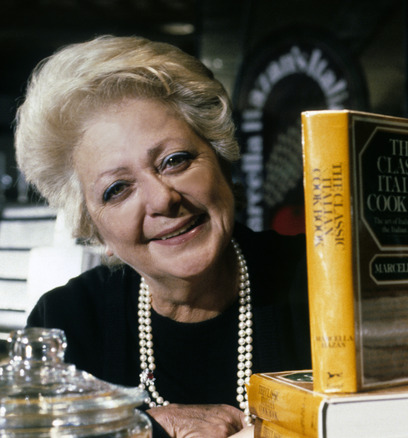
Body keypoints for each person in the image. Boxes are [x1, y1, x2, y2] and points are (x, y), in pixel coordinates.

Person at [14, 35, 311, 438]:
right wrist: (135, 429)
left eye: (175, 161)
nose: (162, 199)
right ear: (93, 226)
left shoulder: (320, 282)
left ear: (221, 158)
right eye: (117, 189)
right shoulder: (66, 325)